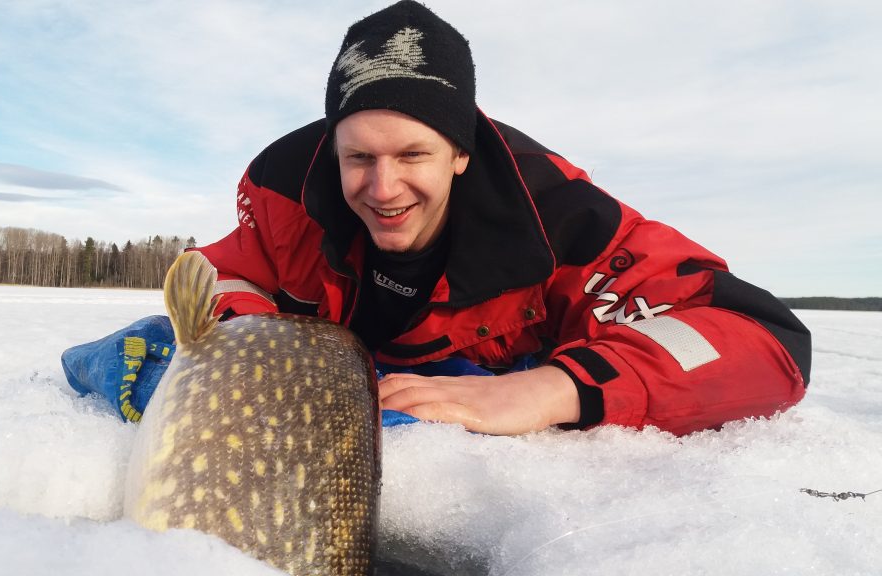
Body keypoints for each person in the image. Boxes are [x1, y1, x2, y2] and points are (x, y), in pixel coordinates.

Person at [191, 0, 811, 436]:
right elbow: (215, 276)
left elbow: (761, 338)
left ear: (461, 152)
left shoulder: (563, 223)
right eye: (358, 157)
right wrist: (251, 353)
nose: (382, 188)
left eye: (413, 155)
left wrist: (554, 389)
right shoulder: (288, 199)